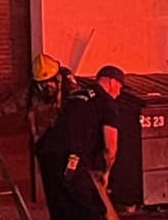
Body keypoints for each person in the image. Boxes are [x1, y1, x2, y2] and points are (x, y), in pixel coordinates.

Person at [36, 65, 125, 220]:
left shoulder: (76, 95)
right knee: (92, 211)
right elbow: (111, 148)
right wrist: (106, 172)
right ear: (112, 82)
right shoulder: (107, 102)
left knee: (62, 211)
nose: (119, 93)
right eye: (120, 87)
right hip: (71, 161)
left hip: (47, 157)